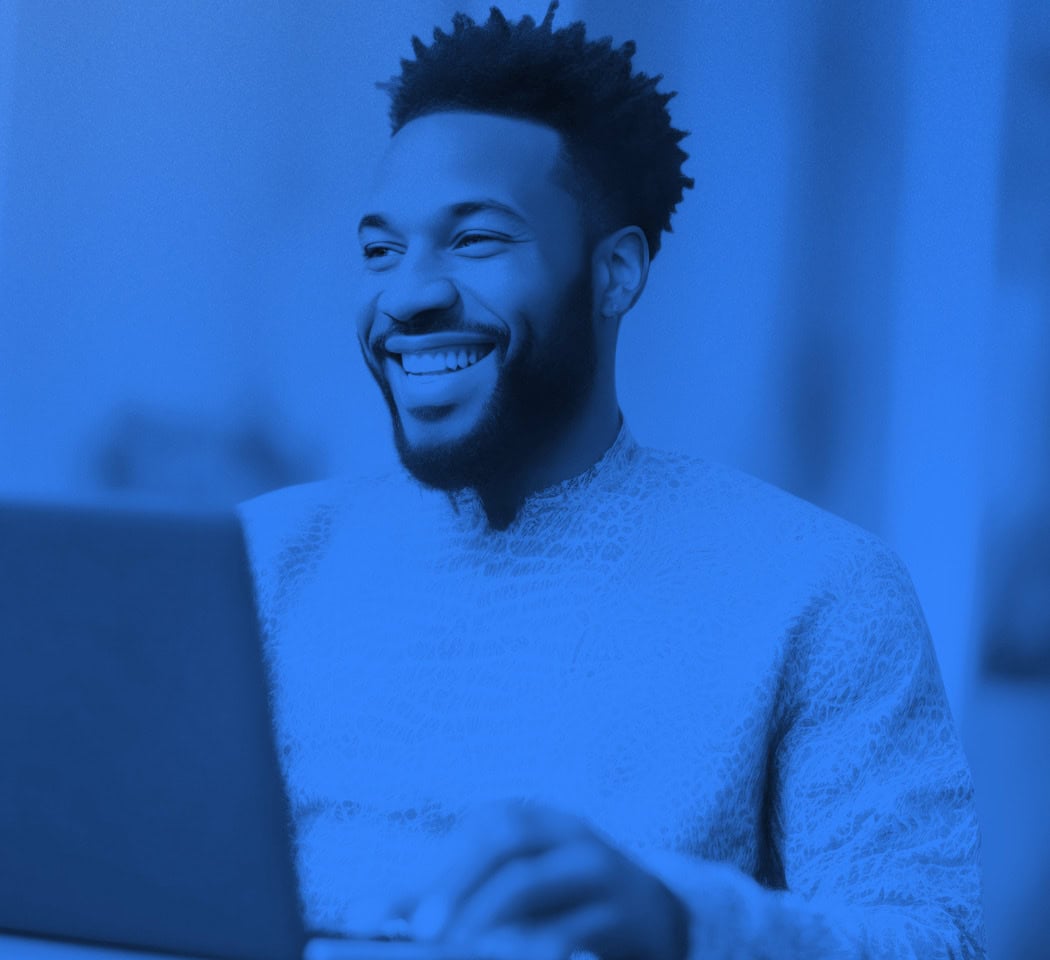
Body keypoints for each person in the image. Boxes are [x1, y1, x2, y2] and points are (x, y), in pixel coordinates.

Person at [239, 4, 985, 958]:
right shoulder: (261, 558)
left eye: (476, 241)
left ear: (616, 274)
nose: (409, 294)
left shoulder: (819, 588)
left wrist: (678, 922)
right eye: (381, 250)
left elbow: (935, 942)